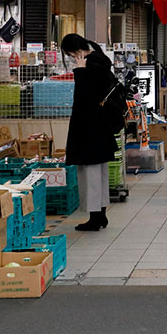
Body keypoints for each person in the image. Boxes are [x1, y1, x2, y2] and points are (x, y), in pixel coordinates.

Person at [60, 33, 120, 232]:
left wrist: (79, 71)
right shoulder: (100, 58)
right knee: (99, 171)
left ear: (77, 52)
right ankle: (100, 214)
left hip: (89, 127)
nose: (71, 59)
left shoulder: (91, 65)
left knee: (90, 172)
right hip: (100, 126)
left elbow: (86, 95)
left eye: (70, 55)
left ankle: (95, 217)